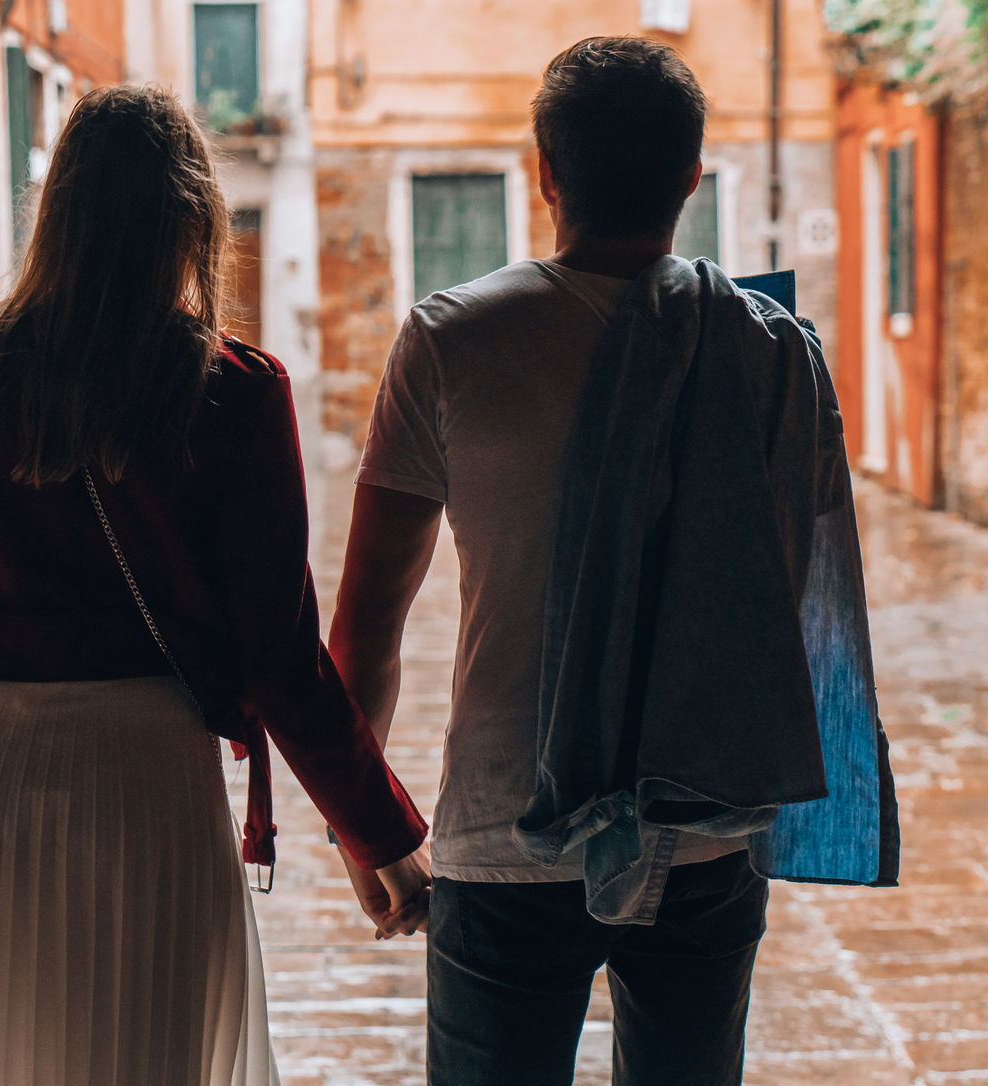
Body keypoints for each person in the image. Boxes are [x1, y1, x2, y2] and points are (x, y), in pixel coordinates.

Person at [0, 83, 431, 1086]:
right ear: (190, 218)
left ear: (56, 209)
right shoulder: (233, 387)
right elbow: (277, 657)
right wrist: (382, 833)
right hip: (144, 781)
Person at [327, 36, 897, 1086]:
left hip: (503, 826)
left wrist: (365, 836)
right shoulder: (772, 351)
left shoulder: (449, 340)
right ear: (690, 175)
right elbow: (800, 602)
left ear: (542, 170)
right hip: (706, 825)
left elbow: (364, 628)